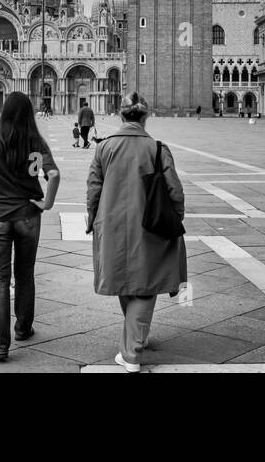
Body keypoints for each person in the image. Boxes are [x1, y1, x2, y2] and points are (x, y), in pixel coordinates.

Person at [86, 92, 186, 373]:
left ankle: (134, 338)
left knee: (125, 279)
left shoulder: (104, 148)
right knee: (146, 282)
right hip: (150, 226)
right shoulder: (157, 148)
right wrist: (176, 219)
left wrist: (92, 218)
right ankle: (132, 353)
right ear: (145, 117)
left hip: (112, 224)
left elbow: (93, 189)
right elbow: (174, 190)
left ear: (121, 116)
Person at [0, 91, 60, 362]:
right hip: (27, 216)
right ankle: (23, 328)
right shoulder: (35, 141)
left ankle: (0, 345)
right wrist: (46, 204)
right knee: (25, 274)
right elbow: (54, 174)